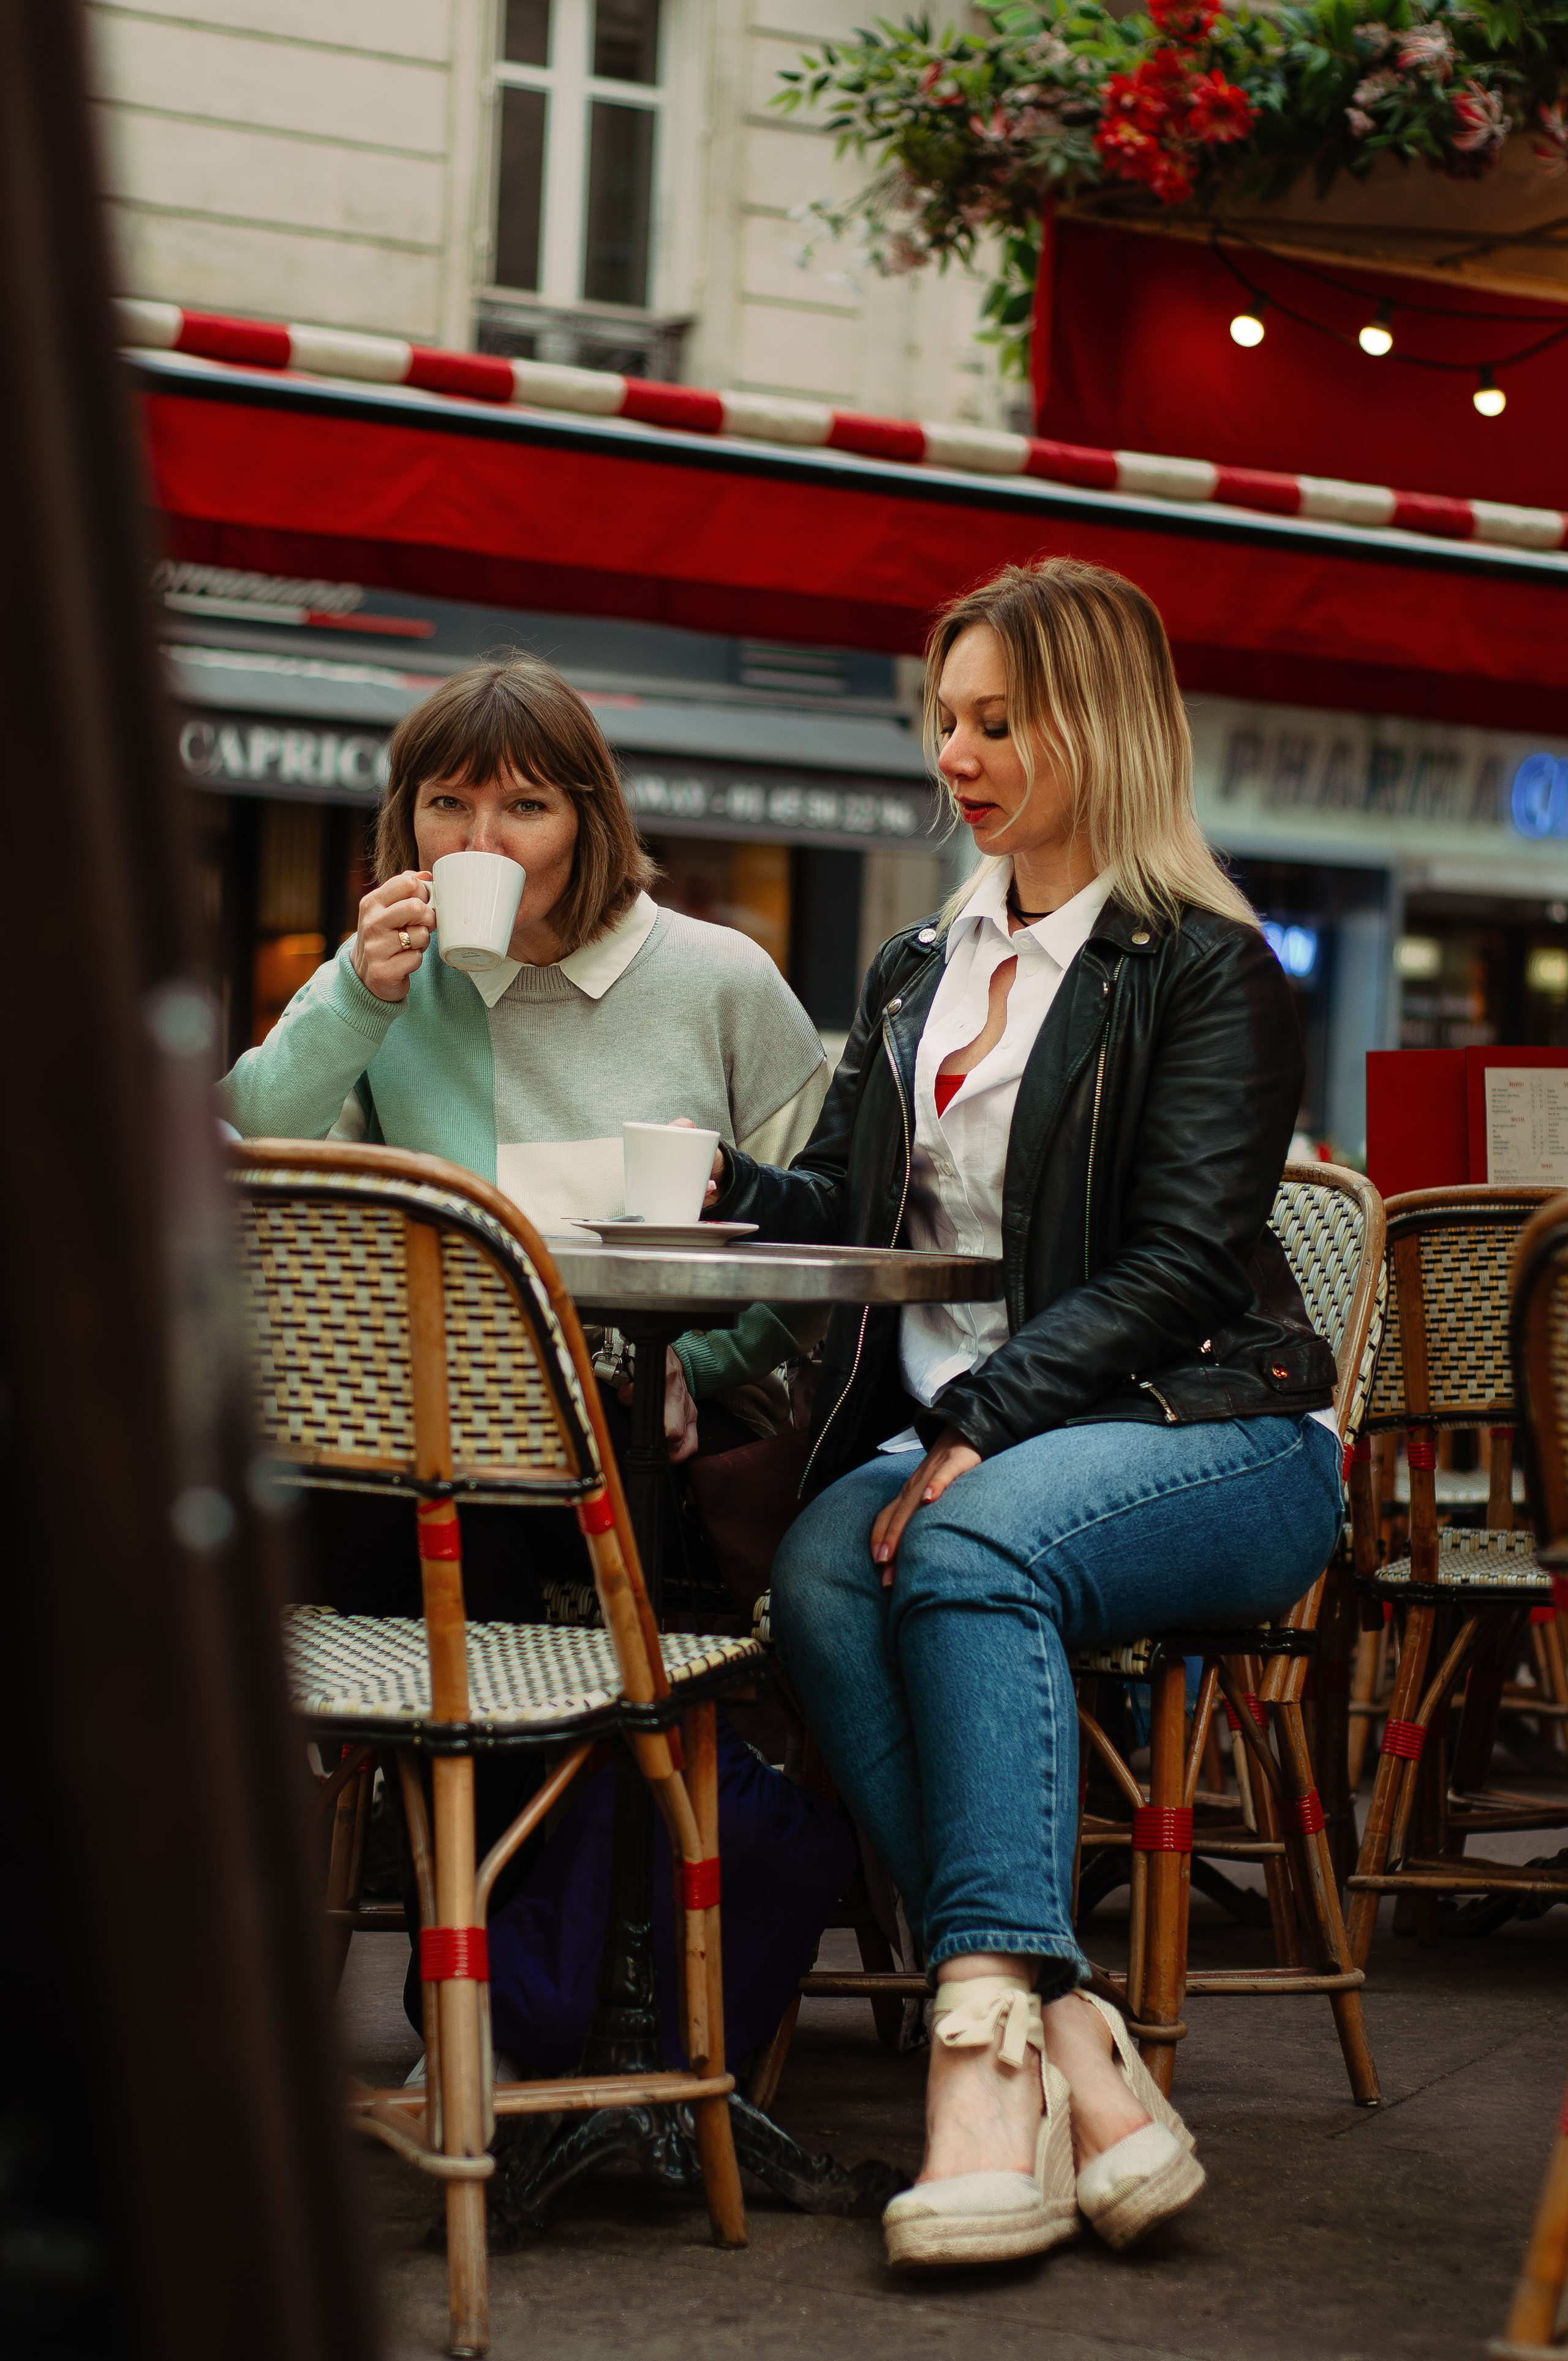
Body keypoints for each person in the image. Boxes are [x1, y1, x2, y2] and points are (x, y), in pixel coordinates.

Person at [704, 557, 1344, 2271]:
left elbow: (1192, 1261)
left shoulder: (1203, 966)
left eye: (1001, 721)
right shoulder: (922, 962)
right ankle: (1066, 2035)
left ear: (1100, 728)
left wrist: (986, 1413)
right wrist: (717, 1186)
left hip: (1216, 1427)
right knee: (830, 1569)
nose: (959, 754)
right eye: (947, 718)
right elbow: (851, 1201)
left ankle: (984, 2076)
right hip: (978, 1442)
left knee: (965, 1540)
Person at [219, 653, 829, 1485]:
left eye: (526, 807)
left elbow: (821, 1236)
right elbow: (250, 1147)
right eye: (447, 805)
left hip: (664, 1410)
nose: (480, 844)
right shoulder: (380, 980)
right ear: (410, 821)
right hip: (432, 1410)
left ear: (589, 822)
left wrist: (692, 1360)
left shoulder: (723, 978)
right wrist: (357, 1000)